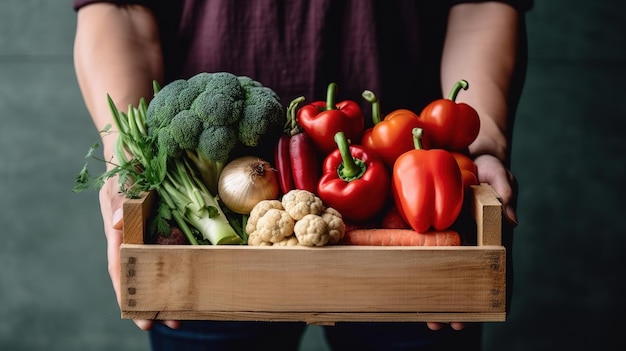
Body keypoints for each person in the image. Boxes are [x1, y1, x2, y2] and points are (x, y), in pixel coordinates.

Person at [72, 1, 532, 350]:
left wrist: (484, 144)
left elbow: (480, 5)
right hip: (206, 229)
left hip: (406, 207)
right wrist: (125, 154)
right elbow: (120, 8)